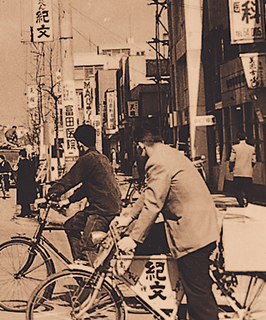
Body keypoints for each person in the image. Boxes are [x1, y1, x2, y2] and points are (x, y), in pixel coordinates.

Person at [114, 121, 220, 320]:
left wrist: (134, 238)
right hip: (196, 225)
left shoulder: (158, 162)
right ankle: (168, 303)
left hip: (193, 233)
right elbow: (150, 193)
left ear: (140, 145)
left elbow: (153, 204)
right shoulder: (169, 154)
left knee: (199, 298)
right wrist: (128, 216)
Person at [46, 124, 121, 264]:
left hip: (101, 211)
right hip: (107, 207)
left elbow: (69, 179)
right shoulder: (101, 157)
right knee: (70, 225)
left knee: (88, 246)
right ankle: (80, 265)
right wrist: (68, 200)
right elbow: (88, 187)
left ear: (80, 144)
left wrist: (50, 194)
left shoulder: (87, 159)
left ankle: (88, 277)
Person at [229, 131, 256, 207]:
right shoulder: (251, 148)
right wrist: (250, 167)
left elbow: (232, 160)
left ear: (238, 139)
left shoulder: (235, 148)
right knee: (248, 189)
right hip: (248, 172)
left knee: (237, 189)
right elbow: (254, 160)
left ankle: (241, 202)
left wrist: (231, 168)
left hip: (238, 172)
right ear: (246, 138)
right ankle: (249, 203)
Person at [15, 149, 38, 218]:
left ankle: (24, 212)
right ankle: (28, 212)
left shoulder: (21, 163)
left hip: (22, 183)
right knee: (28, 199)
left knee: (23, 199)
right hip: (30, 183)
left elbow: (17, 171)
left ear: (20, 155)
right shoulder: (30, 162)